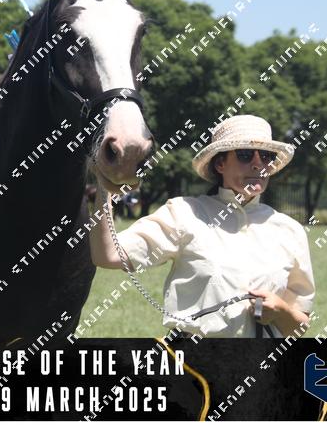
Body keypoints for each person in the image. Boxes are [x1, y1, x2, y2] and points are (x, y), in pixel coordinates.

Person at [89, 114, 315, 338]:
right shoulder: (184, 213)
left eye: (266, 156)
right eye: (245, 155)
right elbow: (108, 255)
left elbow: (299, 326)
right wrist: (105, 182)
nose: (258, 164)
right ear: (220, 163)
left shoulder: (290, 230)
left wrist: (281, 311)